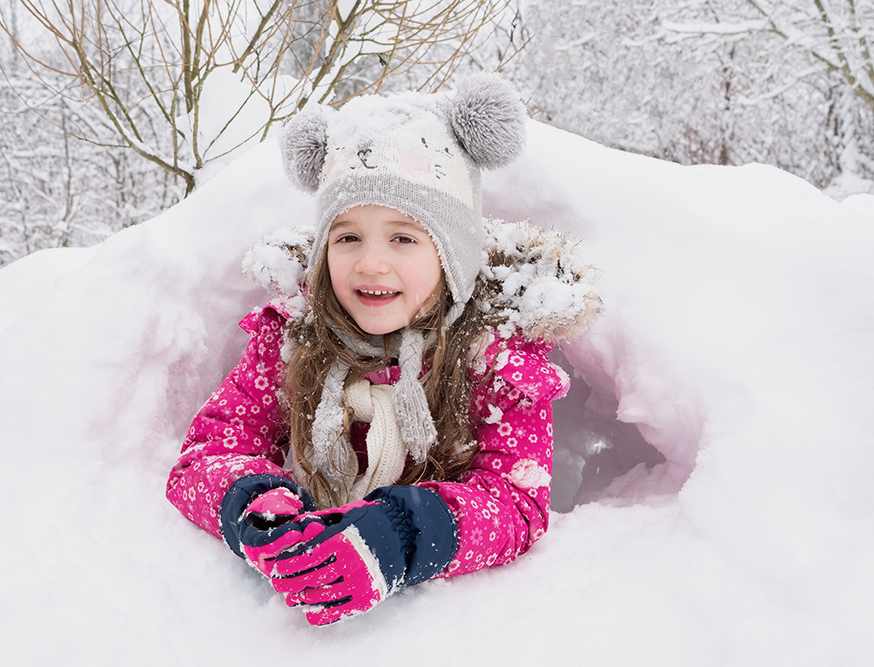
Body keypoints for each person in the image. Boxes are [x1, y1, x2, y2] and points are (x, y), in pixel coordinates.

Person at [166, 74, 601, 626]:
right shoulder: (291, 343)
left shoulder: (496, 363)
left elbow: (516, 499)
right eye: (347, 237)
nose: (370, 263)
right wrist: (257, 507)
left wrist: (403, 534)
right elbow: (206, 456)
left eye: (403, 237)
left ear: (452, 256)